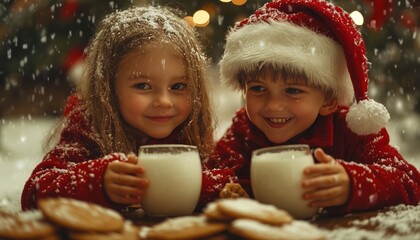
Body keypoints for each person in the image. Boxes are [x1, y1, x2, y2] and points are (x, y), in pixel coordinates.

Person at [199, 0, 420, 214]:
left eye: (293, 91)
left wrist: (352, 184)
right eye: (258, 89)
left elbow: (408, 180)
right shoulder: (243, 130)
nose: (273, 105)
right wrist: (225, 191)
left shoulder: (352, 131)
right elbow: (210, 175)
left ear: (328, 101)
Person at [21, 5, 214, 211]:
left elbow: (224, 177)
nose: (164, 101)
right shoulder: (88, 130)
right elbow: (35, 191)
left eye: (178, 86)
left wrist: (202, 188)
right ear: (108, 89)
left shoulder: (191, 130)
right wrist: (98, 182)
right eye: (143, 86)